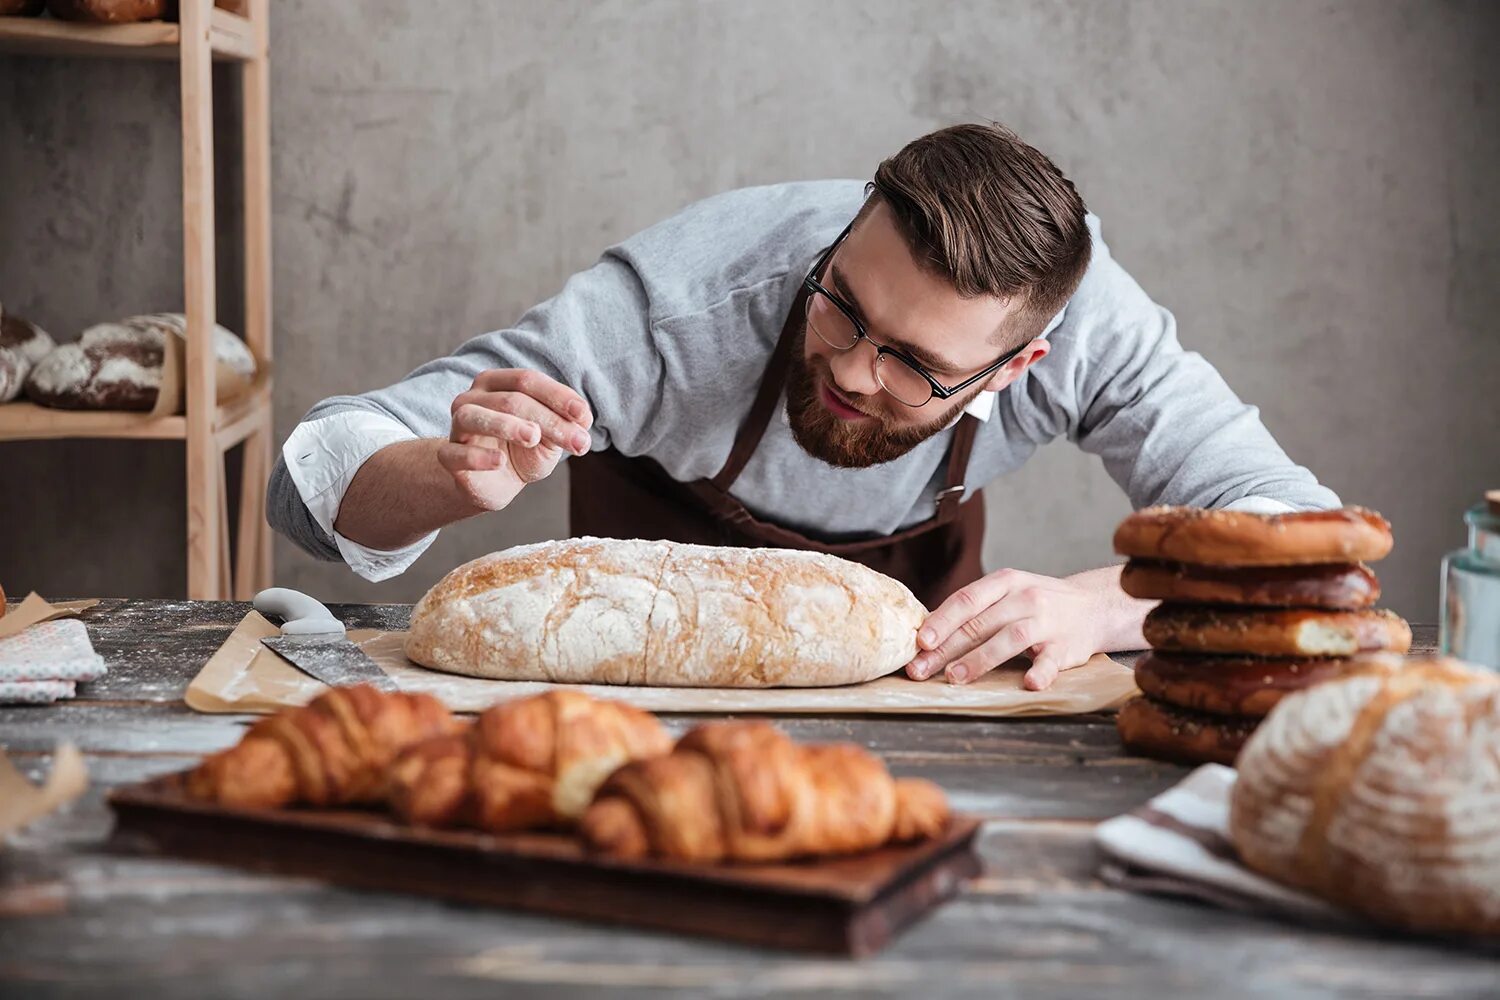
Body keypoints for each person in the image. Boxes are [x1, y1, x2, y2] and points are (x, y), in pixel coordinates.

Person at [268, 122, 1338, 690]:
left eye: (917, 364)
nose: (857, 372)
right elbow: (309, 482)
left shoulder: (1096, 324)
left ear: (1021, 367)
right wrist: (448, 479)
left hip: (934, 707)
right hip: (642, 709)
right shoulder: (679, 309)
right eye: (843, 306)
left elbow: (1303, 541)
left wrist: (1106, 608)